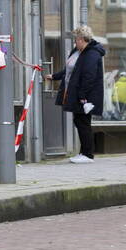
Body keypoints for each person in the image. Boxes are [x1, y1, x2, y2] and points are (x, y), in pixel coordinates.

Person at [46, 25, 105, 163]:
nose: (75, 42)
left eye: (76, 39)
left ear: (82, 39)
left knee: (83, 122)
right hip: (75, 92)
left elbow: (89, 76)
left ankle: (88, 155)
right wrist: (54, 76)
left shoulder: (92, 53)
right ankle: (84, 152)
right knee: (79, 121)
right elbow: (68, 70)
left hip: (85, 95)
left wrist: (82, 95)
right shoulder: (78, 52)